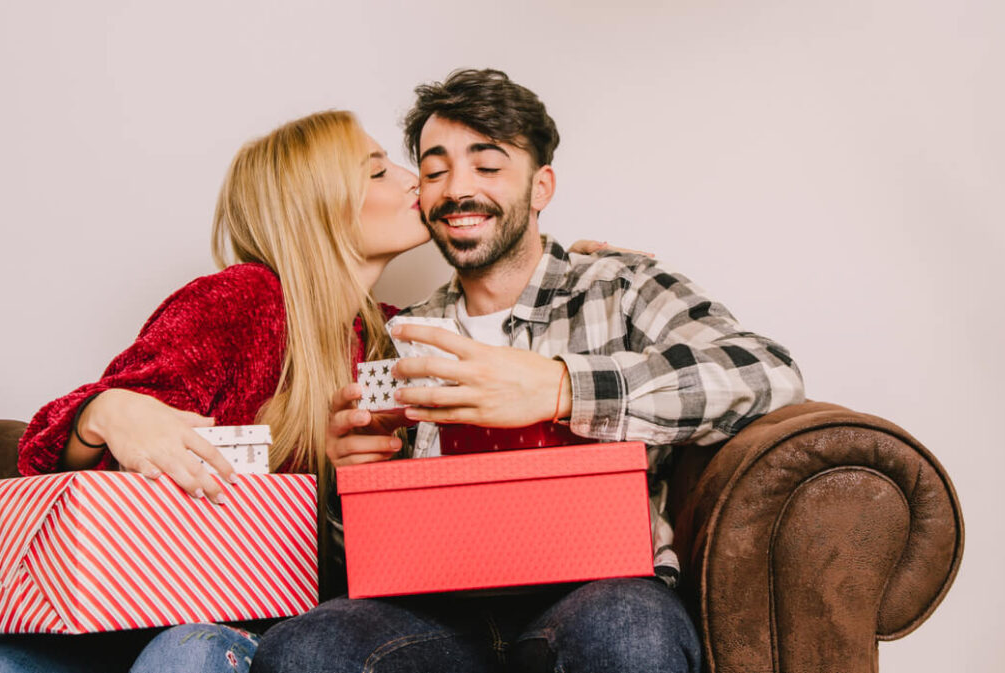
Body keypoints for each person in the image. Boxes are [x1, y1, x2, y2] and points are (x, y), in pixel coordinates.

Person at [251, 70, 806, 673]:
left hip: (598, 592)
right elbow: (365, 549)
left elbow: (767, 373)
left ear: (541, 187)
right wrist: (349, 485)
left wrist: (562, 388)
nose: (458, 189)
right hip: (437, 614)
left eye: (487, 167)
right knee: (305, 647)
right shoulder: (400, 332)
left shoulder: (619, 287)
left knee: (628, 632)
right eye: (435, 171)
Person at [3, 109, 428, 673]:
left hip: (295, 630)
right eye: (377, 172)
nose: (412, 178)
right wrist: (107, 411)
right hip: (147, 618)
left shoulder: (396, 338)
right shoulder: (238, 303)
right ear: (315, 206)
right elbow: (42, 455)